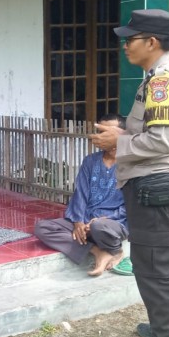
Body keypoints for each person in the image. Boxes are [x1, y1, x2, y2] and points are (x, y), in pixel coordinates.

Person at [91, 9, 169, 337]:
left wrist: (119, 141)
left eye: (130, 39)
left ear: (152, 42)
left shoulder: (162, 81)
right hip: (162, 185)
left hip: (155, 185)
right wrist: (122, 133)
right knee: (168, 262)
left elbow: (162, 140)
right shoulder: (159, 76)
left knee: (154, 269)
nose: (124, 46)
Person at [34, 114, 128, 277]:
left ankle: (115, 250)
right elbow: (81, 193)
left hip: (113, 223)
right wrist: (78, 222)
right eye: (102, 131)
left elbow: (130, 206)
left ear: (122, 133)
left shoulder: (131, 163)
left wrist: (99, 221)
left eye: (110, 131)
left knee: (99, 226)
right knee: (42, 227)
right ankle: (97, 251)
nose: (105, 136)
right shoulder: (90, 161)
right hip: (85, 219)